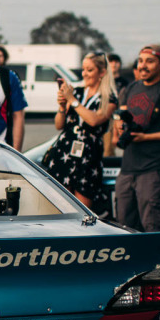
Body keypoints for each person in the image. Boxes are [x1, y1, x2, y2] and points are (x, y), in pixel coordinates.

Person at [111, 45, 160, 233]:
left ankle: (159, 263)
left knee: (154, 227)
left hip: (154, 169)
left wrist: (147, 137)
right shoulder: (131, 88)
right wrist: (119, 128)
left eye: (149, 61)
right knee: (124, 227)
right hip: (128, 169)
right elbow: (119, 116)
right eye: (140, 61)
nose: (143, 66)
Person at [43, 52, 117, 206]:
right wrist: (62, 106)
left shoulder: (109, 98)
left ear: (102, 73)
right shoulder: (77, 92)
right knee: (60, 204)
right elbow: (59, 125)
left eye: (90, 70)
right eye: (83, 69)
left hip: (88, 156)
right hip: (65, 151)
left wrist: (72, 100)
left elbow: (94, 120)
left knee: (82, 206)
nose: (84, 74)